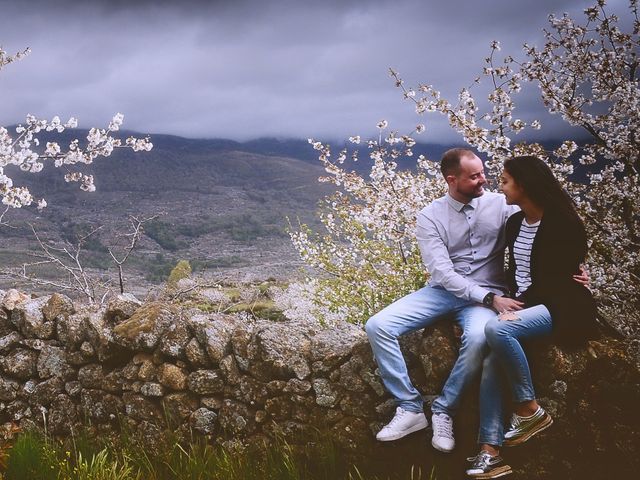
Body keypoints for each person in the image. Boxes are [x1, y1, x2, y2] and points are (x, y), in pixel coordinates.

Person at [365, 147, 523, 452]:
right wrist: (491, 299)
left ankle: (443, 409)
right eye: (474, 176)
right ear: (452, 179)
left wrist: (573, 264)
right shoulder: (430, 216)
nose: (483, 179)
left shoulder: (500, 204)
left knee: (479, 337)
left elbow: (538, 228)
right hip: (445, 292)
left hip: (484, 297)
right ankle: (410, 408)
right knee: (378, 325)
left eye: (482, 172)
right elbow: (443, 272)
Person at [465, 155, 598, 478]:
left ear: (524, 185)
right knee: (491, 359)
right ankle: (490, 454)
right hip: (529, 303)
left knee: (498, 331)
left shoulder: (563, 223)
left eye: (506, 181)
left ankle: (529, 410)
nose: (501, 186)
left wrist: (518, 308)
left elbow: (555, 282)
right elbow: (519, 272)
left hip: (563, 307)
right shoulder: (515, 223)